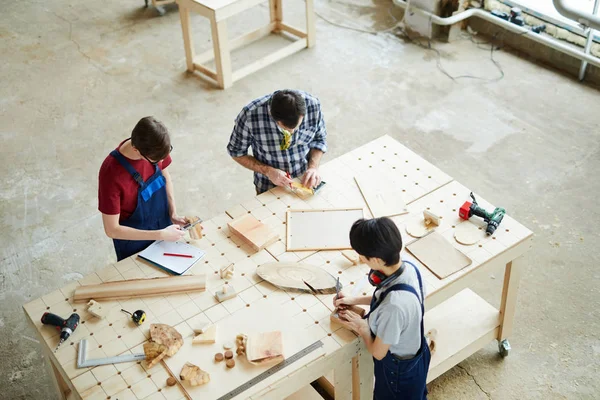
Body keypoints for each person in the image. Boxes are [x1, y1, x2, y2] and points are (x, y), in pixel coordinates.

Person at [335, 217, 431, 400]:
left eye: (362, 256)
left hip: (398, 375)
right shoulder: (410, 268)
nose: (360, 259)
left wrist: (362, 327)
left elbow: (378, 353)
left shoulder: (394, 307)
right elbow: (386, 297)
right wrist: (354, 299)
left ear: (377, 260)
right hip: (418, 356)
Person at [98, 117, 187, 261]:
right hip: (133, 241)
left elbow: (165, 174)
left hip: (163, 224)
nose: (161, 162)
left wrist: (173, 213)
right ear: (136, 149)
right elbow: (111, 229)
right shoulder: (111, 174)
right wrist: (160, 234)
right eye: (156, 161)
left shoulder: (156, 145)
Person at [226, 89, 327, 194]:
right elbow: (236, 152)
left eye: (297, 127)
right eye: (286, 128)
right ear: (273, 117)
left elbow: (319, 139)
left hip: (303, 180)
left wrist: (313, 167)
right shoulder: (249, 115)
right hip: (269, 185)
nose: (292, 132)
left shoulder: (313, 105)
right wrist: (268, 171)